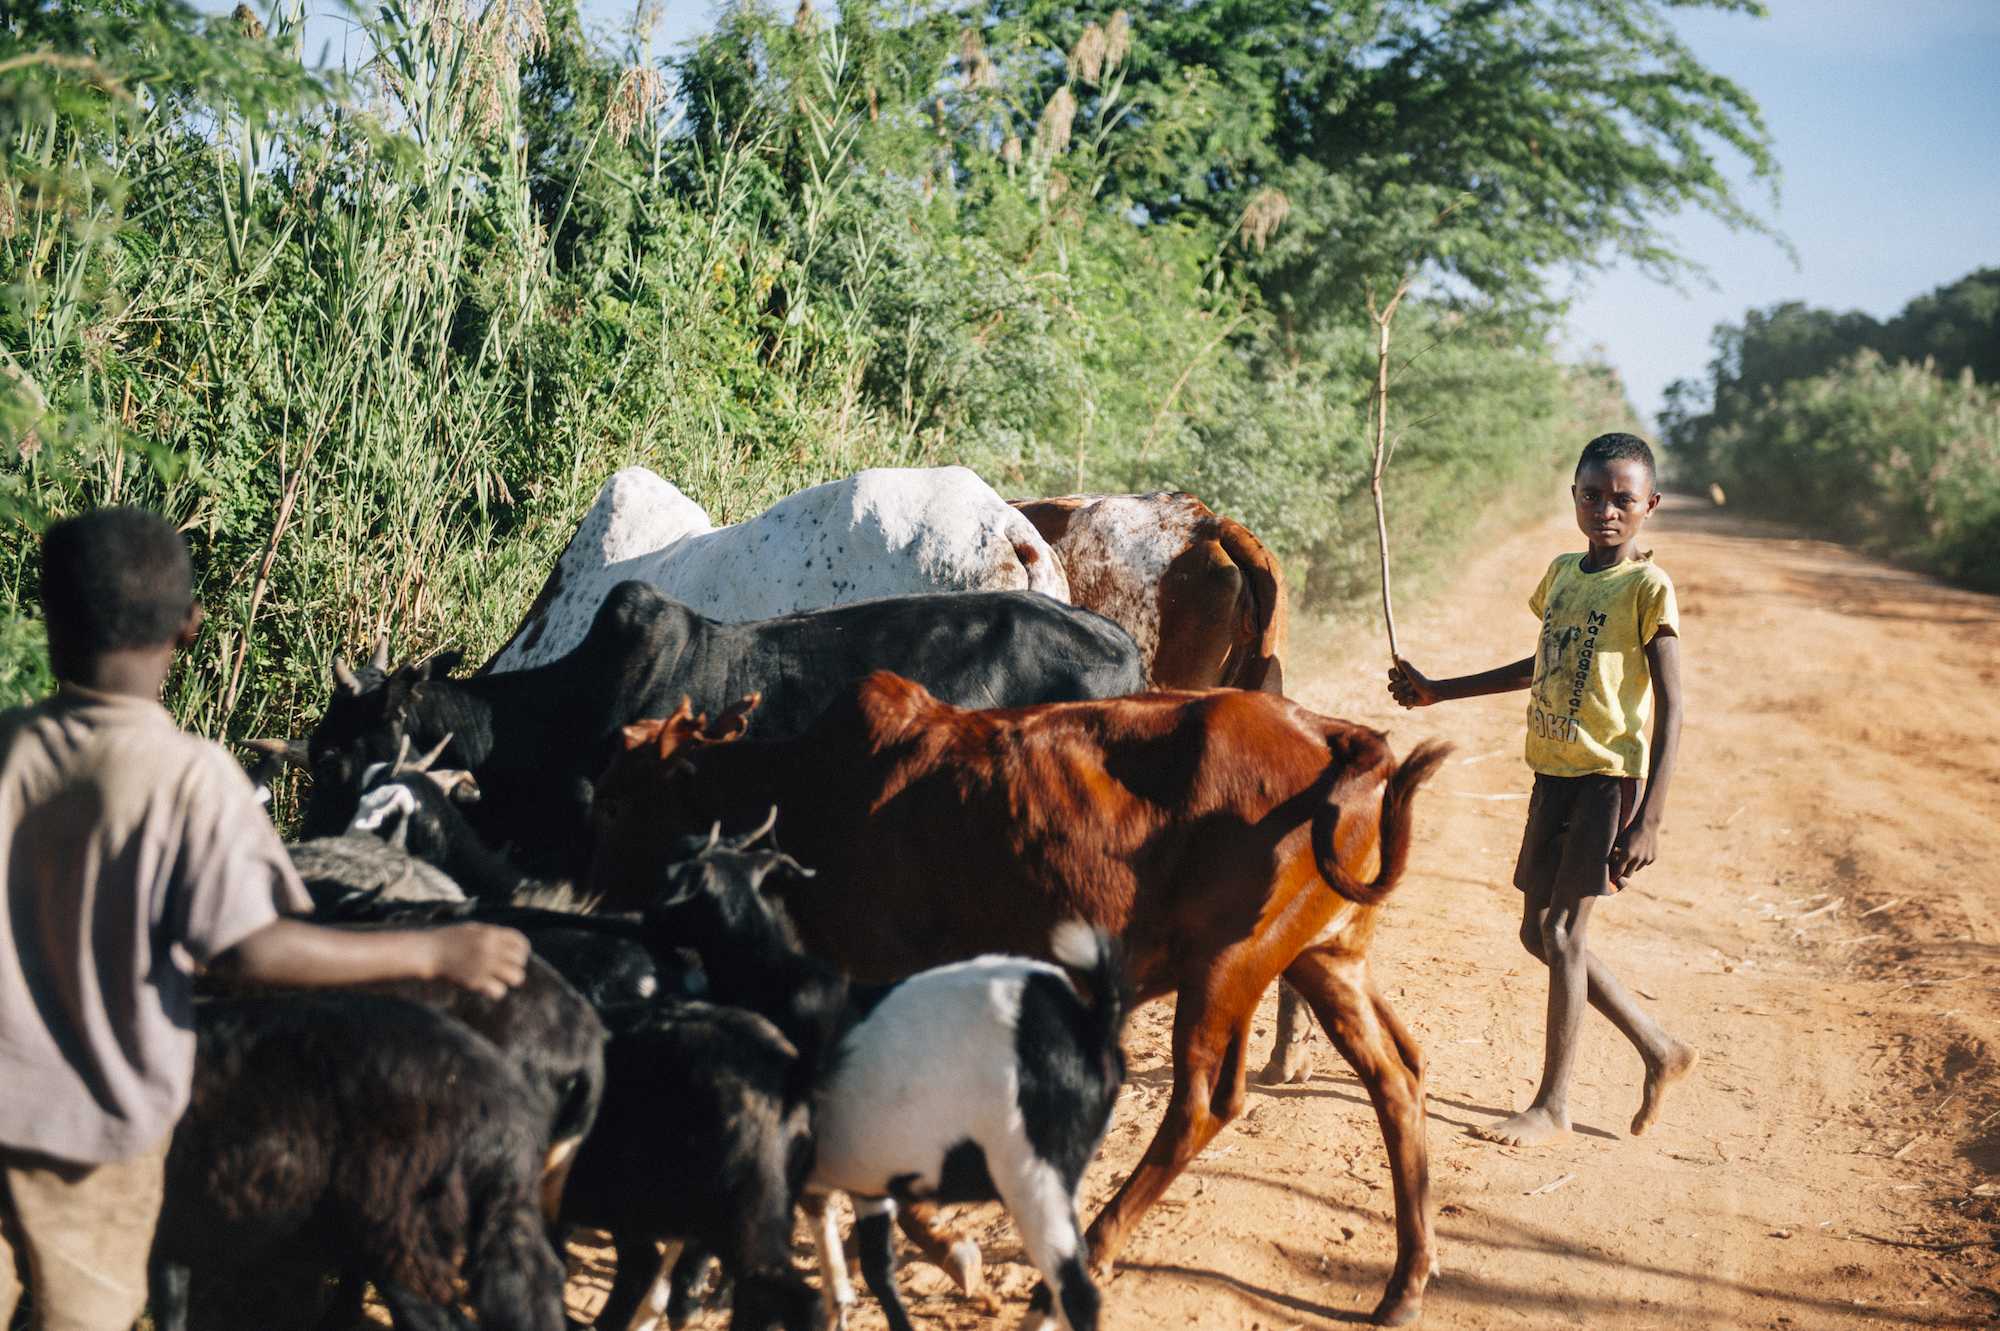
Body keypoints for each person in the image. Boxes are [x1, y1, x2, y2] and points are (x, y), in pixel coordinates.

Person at [0, 507, 531, 1331]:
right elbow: (249, 948)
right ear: (190, 626)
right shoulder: (188, 776)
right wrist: (433, 950)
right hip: (90, 1138)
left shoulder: (7, 748)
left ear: (49, 616)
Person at [1388, 433, 1698, 1147]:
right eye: (1594, 496)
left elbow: (1674, 704)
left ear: (1650, 505)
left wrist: (1650, 816)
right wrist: (1439, 690)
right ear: (1575, 498)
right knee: (1537, 931)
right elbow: (1544, 661)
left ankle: (1553, 1105)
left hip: (1606, 777)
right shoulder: (1563, 573)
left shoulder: (1648, 587)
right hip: (1553, 772)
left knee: (1563, 932)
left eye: (1624, 499)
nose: (1608, 510)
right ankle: (1658, 1046)